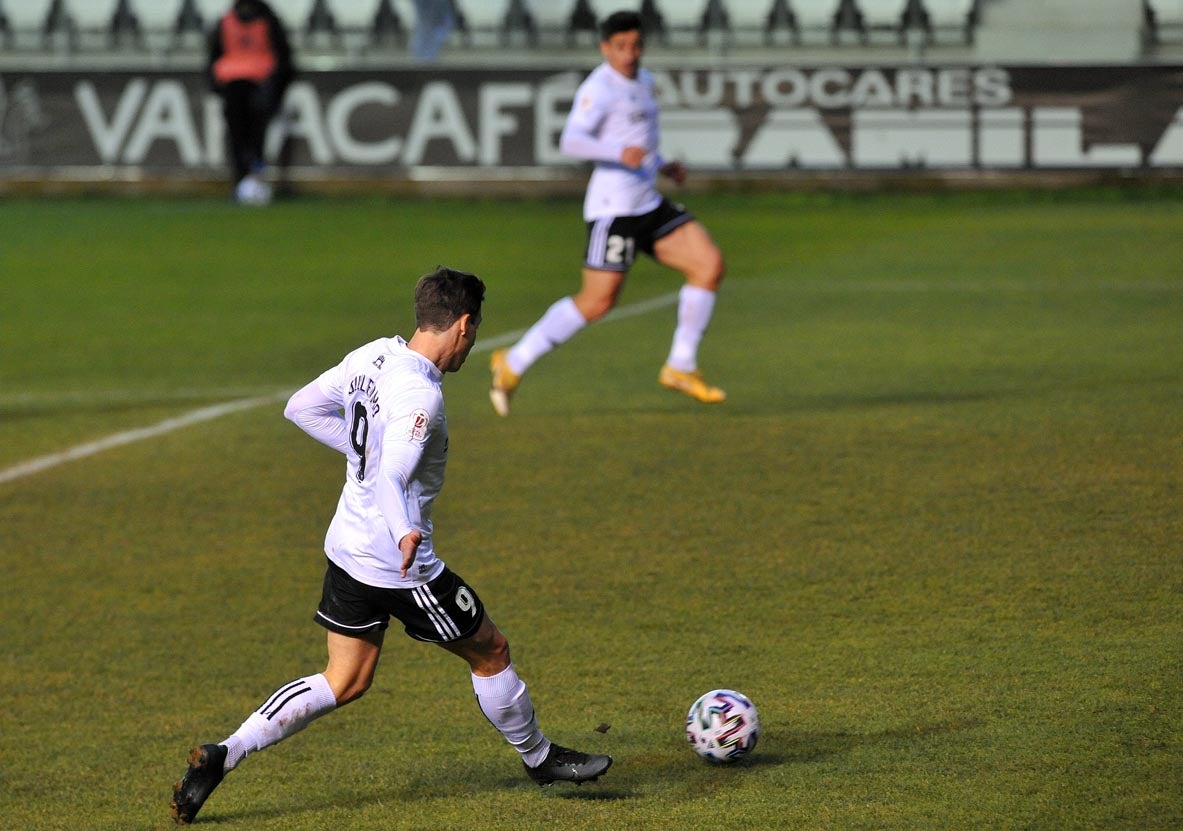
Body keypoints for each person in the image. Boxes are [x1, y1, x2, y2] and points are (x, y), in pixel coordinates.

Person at [170, 267, 612, 826]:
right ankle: (539, 758)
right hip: (400, 567)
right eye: (474, 335)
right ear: (465, 324)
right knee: (490, 650)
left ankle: (225, 752)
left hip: (348, 548)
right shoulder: (421, 394)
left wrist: (364, 458)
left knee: (344, 679)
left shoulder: (372, 356)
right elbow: (392, 480)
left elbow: (301, 408)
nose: (471, 347)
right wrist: (403, 524)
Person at [488, 10, 726, 417]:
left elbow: (638, 140)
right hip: (614, 211)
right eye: (621, 47)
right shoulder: (599, 87)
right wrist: (619, 153)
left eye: (636, 46)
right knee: (597, 303)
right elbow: (572, 140)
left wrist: (663, 164)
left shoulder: (645, 81)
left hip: (648, 201)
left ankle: (680, 366)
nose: (630, 54)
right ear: (605, 48)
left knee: (709, 264)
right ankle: (513, 363)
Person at [206, 0, 294, 205]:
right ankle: (246, 179)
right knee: (247, 137)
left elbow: (283, 56)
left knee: (249, 137)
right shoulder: (235, 21)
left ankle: (250, 179)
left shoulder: (259, 20)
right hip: (241, 85)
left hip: (253, 84)